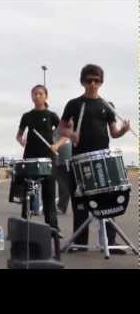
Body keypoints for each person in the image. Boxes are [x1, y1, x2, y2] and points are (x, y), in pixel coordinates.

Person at [59, 64, 131, 254]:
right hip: (79, 158)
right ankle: (80, 242)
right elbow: (61, 128)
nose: (92, 84)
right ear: (82, 81)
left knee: (107, 200)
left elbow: (113, 133)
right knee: (80, 201)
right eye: (89, 80)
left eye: (96, 80)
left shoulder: (108, 106)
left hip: (102, 158)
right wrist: (71, 134)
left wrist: (123, 131)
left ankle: (111, 242)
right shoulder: (74, 104)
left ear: (101, 82)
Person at [16, 84, 68, 234]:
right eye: (34, 94)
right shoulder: (26, 116)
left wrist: (57, 145)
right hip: (30, 156)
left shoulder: (52, 116)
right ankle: (24, 225)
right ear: (31, 96)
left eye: (40, 94)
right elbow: (18, 135)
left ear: (46, 96)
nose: (37, 96)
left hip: (47, 157)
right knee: (27, 192)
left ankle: (52, 227)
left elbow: (65, 135)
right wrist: (21, 140)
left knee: (49, 192)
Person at [52, 128, 72, 215]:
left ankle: (61, 207)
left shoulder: (61, 130)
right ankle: (59, 206)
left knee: (64, 184)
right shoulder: (52, 132)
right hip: (57, 160)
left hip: (65, 159)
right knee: (60, 184)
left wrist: (56, 145)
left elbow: (67, 137)